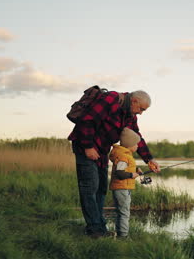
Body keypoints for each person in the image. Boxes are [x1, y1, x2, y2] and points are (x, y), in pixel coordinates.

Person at [68, 89, 160, 238]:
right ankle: (95, 231)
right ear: (134, 101)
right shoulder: (111, 99)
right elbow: (87, 120)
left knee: (101, 188)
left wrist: (149, 159)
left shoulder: (130, 115)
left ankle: (99, 228)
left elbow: (137, 137)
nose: (141, 113)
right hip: (85, 146)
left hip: (102, 151)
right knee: (90, 188)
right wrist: (88, 146)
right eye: (141, 109)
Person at [109, 128, 144, 239]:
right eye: (136, 144)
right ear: (130, 145)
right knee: (124, 213)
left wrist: (136, 170)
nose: (137, 146)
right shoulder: (124, 157)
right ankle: (123, 236)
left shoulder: (125, 155)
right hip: (122, 188)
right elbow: (120, 173)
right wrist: (131, 175)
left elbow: (126, 168)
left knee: (121, 212)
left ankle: (120, 234)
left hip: (122, 188)